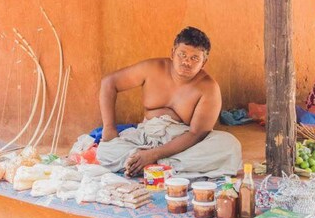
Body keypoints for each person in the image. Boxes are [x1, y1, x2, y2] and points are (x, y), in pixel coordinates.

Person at [96, 27, 242, 179]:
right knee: (105, 151)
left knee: (230, 145)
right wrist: (109, 127)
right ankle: (157, 165)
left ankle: (148, 163)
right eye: (182, 54)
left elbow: (196, 134)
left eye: (194, 58)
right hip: (146, 135)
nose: (186, 62)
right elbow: (109, 83)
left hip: (181, 143)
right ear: (172, 53)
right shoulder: (151, 68)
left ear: (204, 62)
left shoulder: (209, 88)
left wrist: (153, 155)